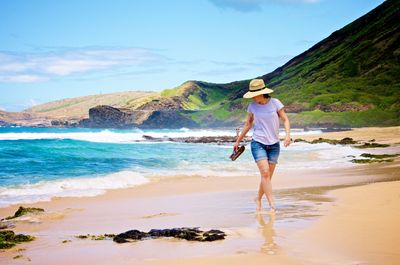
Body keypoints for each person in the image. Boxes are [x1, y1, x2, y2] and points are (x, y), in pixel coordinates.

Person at [234, 79, 291, 213]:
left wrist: (287, 135)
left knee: (267, 177)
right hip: (258, 142)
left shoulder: (275, 103)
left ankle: (258, 198)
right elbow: (248, 124)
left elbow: (285, 119)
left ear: (262, 93)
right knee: (265, 173)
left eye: (254, 94)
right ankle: (272, 204)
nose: (253, 97)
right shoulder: (252, 106)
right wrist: (238, 141)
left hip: (274, 144)